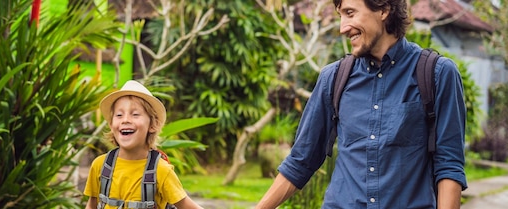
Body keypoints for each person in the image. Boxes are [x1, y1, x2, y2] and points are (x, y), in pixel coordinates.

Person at [255, 0, 467, 208]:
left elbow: (449, 166)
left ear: (383, 9)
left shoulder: (437, 75)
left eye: (350, 13)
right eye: (340, 16)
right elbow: (301, 161)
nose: (342, 28)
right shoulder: (334, 78)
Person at [84, 80, 203, 209]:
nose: (125, 120)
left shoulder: (161, 171)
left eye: (135, 114)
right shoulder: (100, 166)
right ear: (111, 125)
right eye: (119, 115)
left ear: (152, 125)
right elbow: (92, 205)